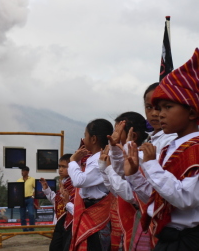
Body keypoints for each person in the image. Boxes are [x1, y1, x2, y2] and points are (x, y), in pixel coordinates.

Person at [124, 48, 199, 250]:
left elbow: (184, 199)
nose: (159, 114)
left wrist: (150, 165)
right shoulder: (173, 148)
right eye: (157, 108)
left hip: (188, 241)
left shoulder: (196, 150)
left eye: (167, 107)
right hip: (167, 239)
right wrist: (134, 176)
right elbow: (159, 198)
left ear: (191, 112)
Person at [99, 113, 152, 251]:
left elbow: (129, 194)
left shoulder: (143, 156)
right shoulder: (132, 156)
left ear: (133, 136)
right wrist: (109, 163)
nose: (114, 136)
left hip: (142, 218)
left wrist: (109, 168)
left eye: (118, 133)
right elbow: (117, 181)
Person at [68, 118, 114, 250]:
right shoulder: (93, 159)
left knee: (96, 246)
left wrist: (72, 161)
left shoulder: (101, 159)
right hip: (88, 209)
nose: (83, 139)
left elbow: (79, 181)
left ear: (93, 139)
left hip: (97, 210)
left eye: (85, 135)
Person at [40, 153, 74, 251]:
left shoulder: (75, 185)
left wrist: (67, 202)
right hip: (60, 222)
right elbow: (58, 202)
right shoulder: (64, 183)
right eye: (59, 166)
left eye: (64, 167)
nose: (60, 169)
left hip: (70, 223)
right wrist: (47, 189)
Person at [17, 166, 36, 231]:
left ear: (27, 172)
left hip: (29, 199)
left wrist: (33, 195)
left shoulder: (32, 179)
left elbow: (36, 188)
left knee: (31, 214)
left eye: (24, 171)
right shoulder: (19, 180)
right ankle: (24, 229)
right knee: (22, 216)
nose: (22, 172)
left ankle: (31, 229)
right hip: (21, 199)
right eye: (22, 171)